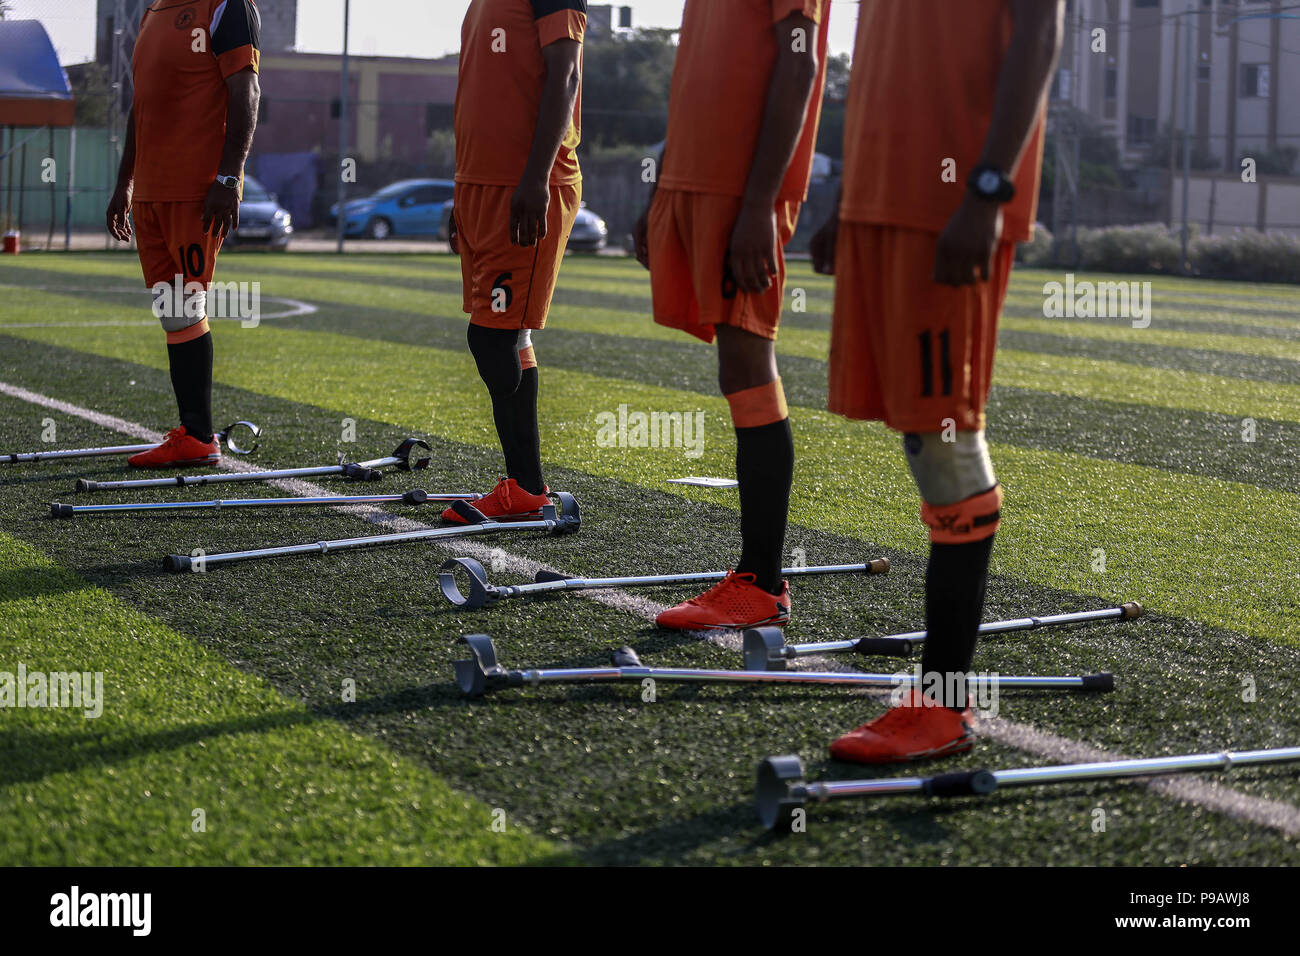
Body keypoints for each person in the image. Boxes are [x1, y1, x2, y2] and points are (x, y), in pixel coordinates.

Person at [809, 0, 1064, 762]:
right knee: (920, 436)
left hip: (948, 206)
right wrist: (849, 194)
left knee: (947, 438)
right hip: (885, 203)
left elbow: (1039, 33)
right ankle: (937, 696)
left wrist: (988, 190)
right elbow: (890, 69)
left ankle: (945, 703)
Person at [633, 0, 830, 630]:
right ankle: (757, 579)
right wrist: (661, 185)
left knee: (749, 362)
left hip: (740, 191)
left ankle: (761, 583)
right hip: (696, 180)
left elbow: (798, 67)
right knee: (735, 370)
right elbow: (696, 81)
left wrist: (759, 206)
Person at [444, 0, 586, 523]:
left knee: (490, 337)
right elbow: (478, 97)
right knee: (514, 334)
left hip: (524, 185)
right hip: (480, 186)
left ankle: (526, 487)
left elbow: (564, 75)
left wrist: (534, 180)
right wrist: (460, 191)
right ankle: (524, 487)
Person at [105, 0, 261, 468]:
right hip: (151, 191)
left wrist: (229, 178)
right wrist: (124, 184)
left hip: (194, 189)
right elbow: (142, 104)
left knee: (187, 302)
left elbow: (246, 91)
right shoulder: (153, 10)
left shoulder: (224, 5)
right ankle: (193, 434)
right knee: (173, 310)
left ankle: (198, 435)